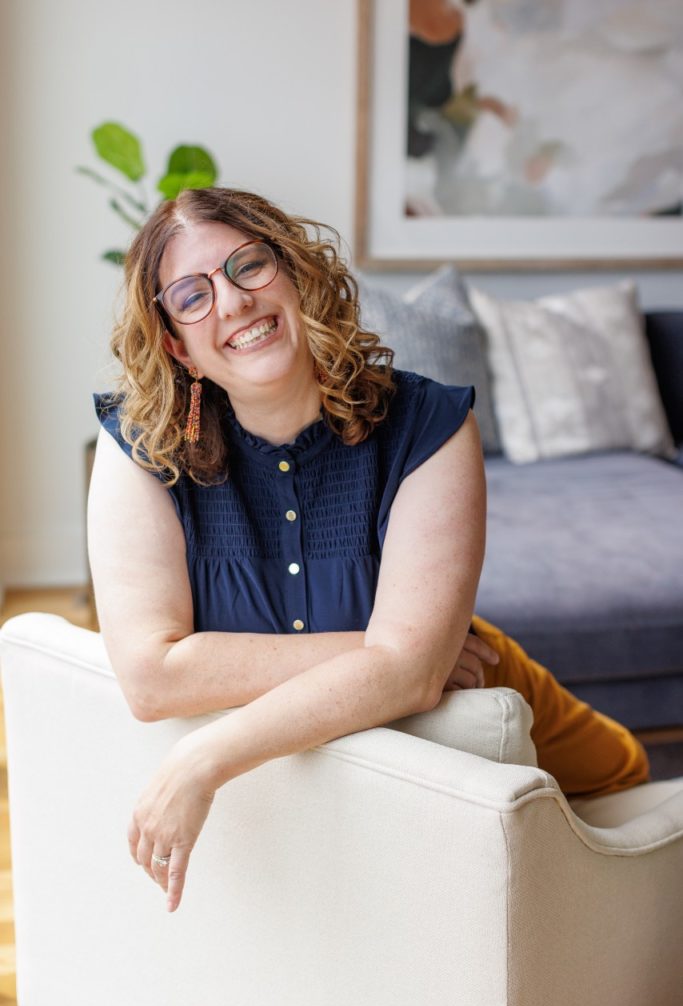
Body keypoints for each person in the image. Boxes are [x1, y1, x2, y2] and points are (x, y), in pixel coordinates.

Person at [88, 187, 648, 913]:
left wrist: (203, 757)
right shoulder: (139, 448)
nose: (231, 302)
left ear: (293, 273)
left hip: (540, 730)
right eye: (191, 296)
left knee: (625, 774)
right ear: (174, 344)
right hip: (448, 660)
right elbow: (151, 679)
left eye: (248, 266)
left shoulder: (428, 423)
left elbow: (413, 677)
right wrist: (386, 652)